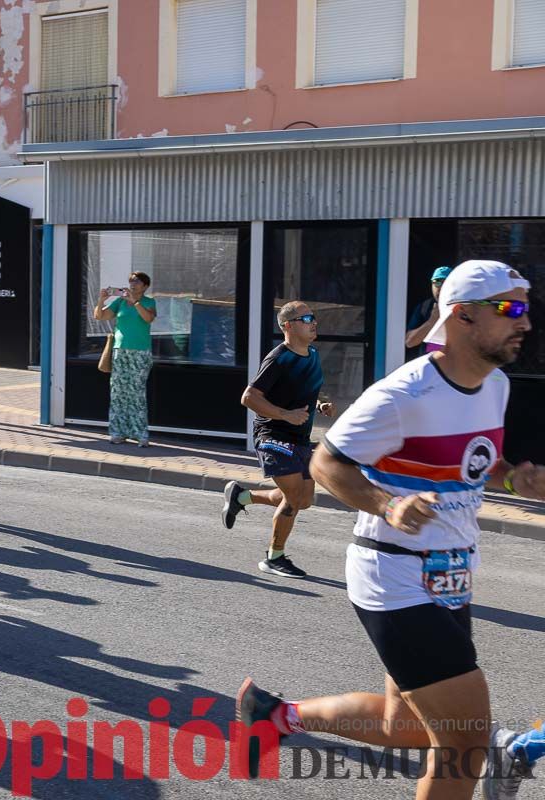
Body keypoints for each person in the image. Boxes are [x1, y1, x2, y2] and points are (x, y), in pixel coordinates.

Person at [236, 261, 545, 798]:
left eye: (527, 309)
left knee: (409, 728)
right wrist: (386, 505)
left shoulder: (495, 385)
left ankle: (274, 715)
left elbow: (470, 461)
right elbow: (327, 464)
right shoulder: (404, 394)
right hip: (395, 573)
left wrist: (513, 480)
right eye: (511, 309)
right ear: (464, 316)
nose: (525, 322)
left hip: (452, 572)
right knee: (465, 746)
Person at [221, 301, 335, 579]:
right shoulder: (278, 358)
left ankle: (242, 497)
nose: (313, 322)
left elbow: (309, 389)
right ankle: (274, 557)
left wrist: (320, 403)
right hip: (273, 436)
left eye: (313, 317)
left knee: (303, 499)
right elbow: (248, 397)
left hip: (299, 437)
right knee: (294, 497)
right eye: (306, 318)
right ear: (287, 326)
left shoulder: (312, 354)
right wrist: (285, 414)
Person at [93, 272, 158, 446]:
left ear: (145, 286)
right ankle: (117, 432)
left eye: (136, 281)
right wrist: (101, 300)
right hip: (120, 350)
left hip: (140, 352)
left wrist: (135, 302)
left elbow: (148, 318)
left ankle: (140, 434)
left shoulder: (149, 302)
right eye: (131, 281)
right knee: (118, 392)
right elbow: (100, 316)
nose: (132, 284)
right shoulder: (120, 301)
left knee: (136, 393)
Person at [406, 265, 452, 356]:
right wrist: (432, 321)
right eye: (437, 282)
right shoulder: (425, 307)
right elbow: (409, 342)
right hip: (431, 364)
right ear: (431, 285)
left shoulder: (463, 307)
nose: (441, 287)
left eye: (446, 283)